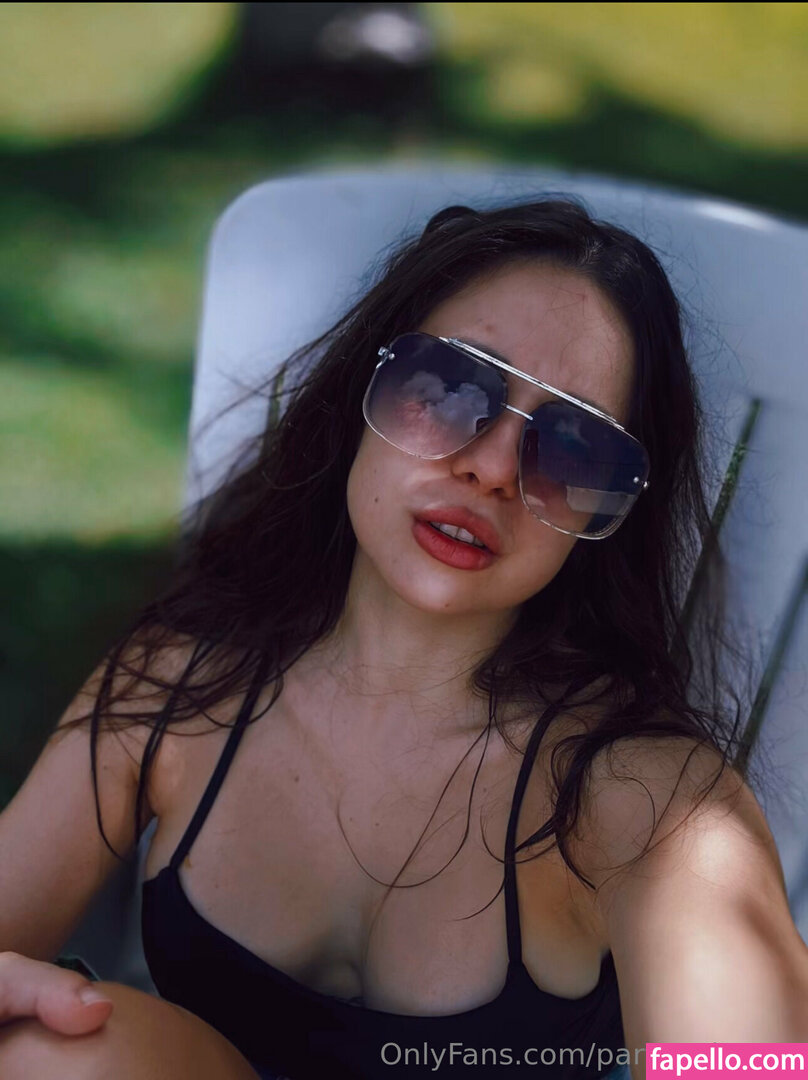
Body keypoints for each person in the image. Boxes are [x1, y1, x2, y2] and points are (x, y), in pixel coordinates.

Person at [0, 197, 806, 1080]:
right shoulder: (181, 686)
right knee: (59, 1050)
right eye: (450, 387)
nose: (491, 468)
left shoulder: (654, 809)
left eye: (574, 449)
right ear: (362, 393)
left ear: (606, 518)